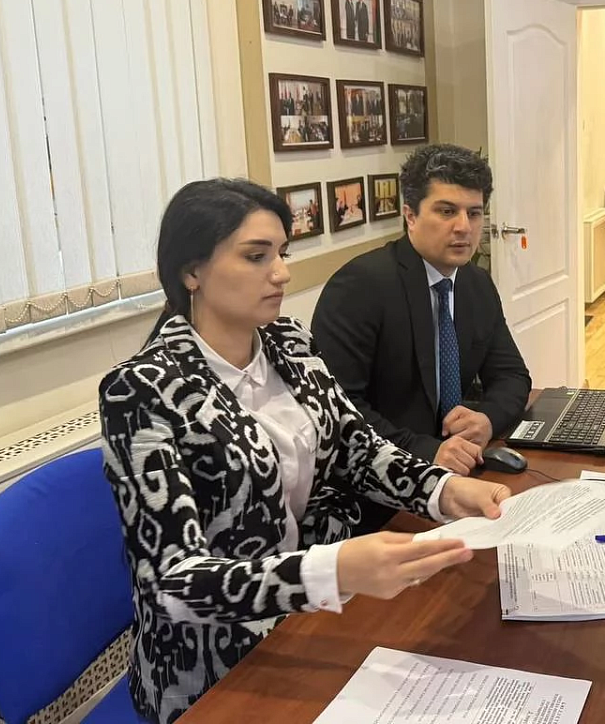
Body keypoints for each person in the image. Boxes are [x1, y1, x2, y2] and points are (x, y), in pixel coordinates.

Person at [99, 178, 509, 723]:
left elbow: (356, 448)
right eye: (256, 256)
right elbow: (174, 582)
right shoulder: (142, 390)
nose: (281, 273)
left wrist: (443, 491)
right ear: (191, 272)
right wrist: (330, 572)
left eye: (282, 254)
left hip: (311, 617)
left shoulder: (288, 342)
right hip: (214, 663)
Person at [312, 144, 531, 480]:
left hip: (462, 468)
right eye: (446, 211)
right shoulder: (359, 287)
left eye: (474, 213)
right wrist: (426, 451)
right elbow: (338, 408)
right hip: (382, 476)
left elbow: (512, 374)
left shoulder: (476, 284)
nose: (464, 227)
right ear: (410, 216)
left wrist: (486, 419)